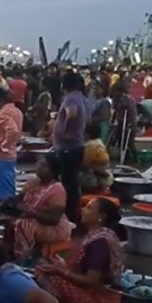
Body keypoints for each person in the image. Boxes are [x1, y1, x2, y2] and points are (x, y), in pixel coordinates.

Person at [36, 198, 124, 303]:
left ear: (101, 216)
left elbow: (91, 280)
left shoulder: (99, 243)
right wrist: (63, 266)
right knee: (46, 265)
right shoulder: (99, 235)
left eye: (88, 208)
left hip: (100, 302)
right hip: (101, 294)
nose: (82, 210)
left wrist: (61, 271)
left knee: (45, 274)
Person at [9, 156, 72, 260]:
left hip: (54, 228)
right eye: (39, 164)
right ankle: (12, 253)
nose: (38, 167)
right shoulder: (33, 182)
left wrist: (29, 211)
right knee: (11, 221)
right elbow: (18, 200)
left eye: (44, 166)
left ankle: (24, 258)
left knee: (24, 224)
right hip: (35, 222)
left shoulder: (57, 190)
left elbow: (53, 220)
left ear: (53, 172)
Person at [53, 72, 87, 224]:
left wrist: (66, 131)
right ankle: (73, 215)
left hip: (69, 147)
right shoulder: (81, 97)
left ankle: (69, 217)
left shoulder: (71, 98)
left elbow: (71, 113)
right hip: (75, 146)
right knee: (72, 183)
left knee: (68, 185)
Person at [80, 121, 113, 193]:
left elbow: (84, 165)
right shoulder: (99, 143)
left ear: (88, 134)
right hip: (106, 177)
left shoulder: (91, 146)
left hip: (97, 179)